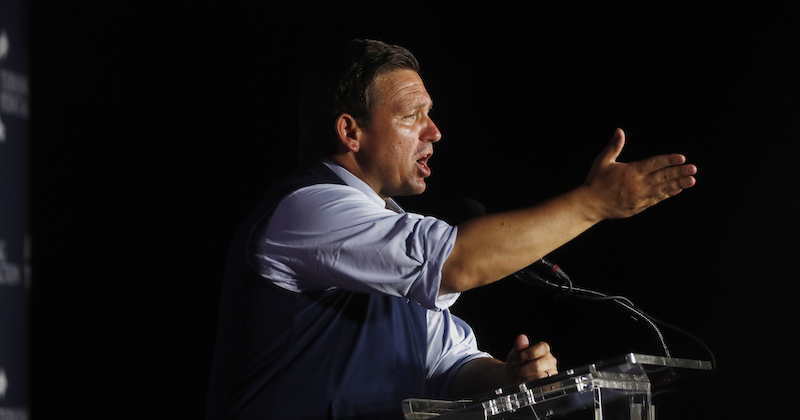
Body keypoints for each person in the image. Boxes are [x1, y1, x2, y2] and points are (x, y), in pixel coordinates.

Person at [206, 39, 698, 420]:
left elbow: (447, 364)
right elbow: (459, 262)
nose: (434, 131)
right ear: (350, 131)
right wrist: (594, 203)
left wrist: (507, 376)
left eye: (430, 114)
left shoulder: (384, 232)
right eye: (411, 116)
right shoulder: (306, 210)